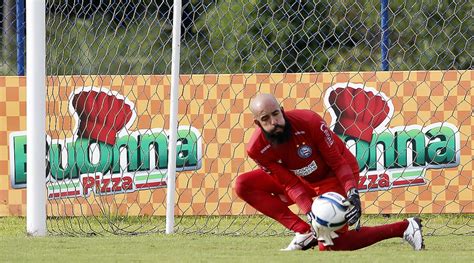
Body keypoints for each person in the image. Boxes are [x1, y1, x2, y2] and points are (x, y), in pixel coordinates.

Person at [235, 93, 425, 251]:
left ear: (282, 111)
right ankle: (304, 231)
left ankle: (406, 227)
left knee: (331, 245)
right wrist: (310, 212)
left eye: (276, 114)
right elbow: (289, 183)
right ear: (257, 123)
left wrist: (352, 192)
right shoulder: (256, 149)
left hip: (334, 175)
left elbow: (338, 162)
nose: (274, 122)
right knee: (244, 185)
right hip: (301, 178)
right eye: (265, 119)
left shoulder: (309, 121)